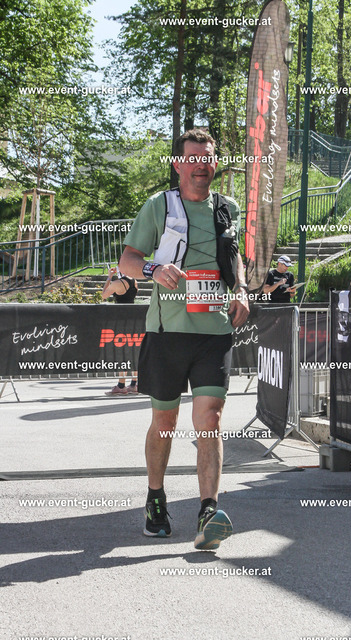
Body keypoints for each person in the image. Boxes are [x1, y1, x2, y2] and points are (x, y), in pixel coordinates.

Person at [119, 129, 249, 550]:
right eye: (192, 158)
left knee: (209, 419)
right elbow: (128, 260)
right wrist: (154, 269)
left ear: (215, 163)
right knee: (166, 422)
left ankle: (209, 511)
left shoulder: (227, 207)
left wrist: (242, 289)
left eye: (207, 158)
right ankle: (155, 499)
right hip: (168, 331)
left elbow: (236, 257)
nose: (200, 165)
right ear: (178, 164)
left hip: (215, 331)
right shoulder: (159, 206)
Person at [102, 266, 139, 395]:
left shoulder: (118, 283)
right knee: (133, 351)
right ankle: (134, 384)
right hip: (133, 318)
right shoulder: (134, 281)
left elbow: (104, 295)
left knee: (122, 353)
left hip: (121, 319)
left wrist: (109, 277)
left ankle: (121, 385)